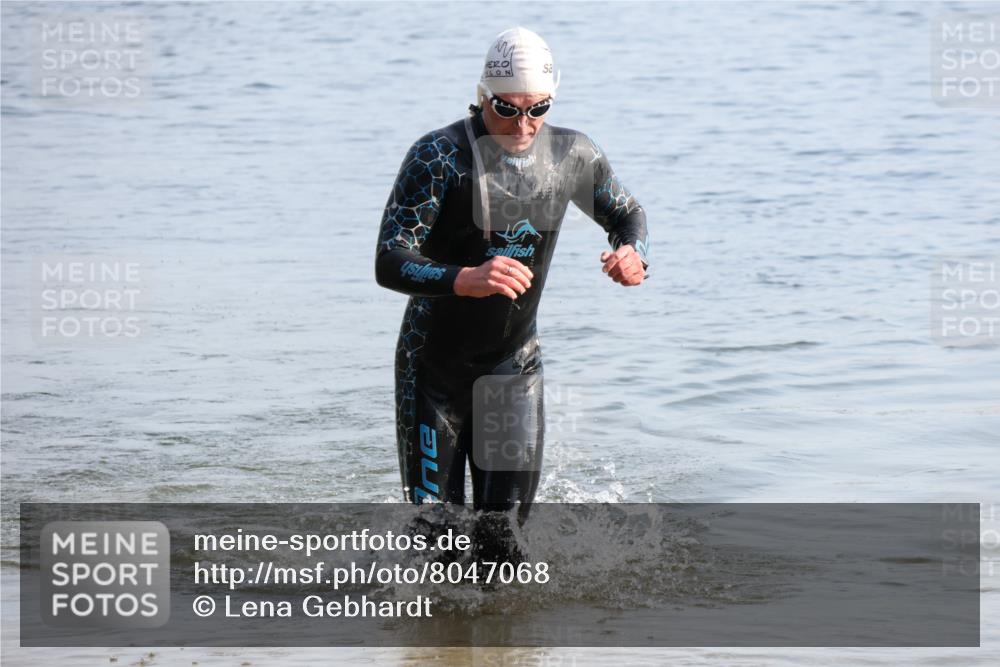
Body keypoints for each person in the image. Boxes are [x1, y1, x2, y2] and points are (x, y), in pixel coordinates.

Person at [375, 27, 649, 525]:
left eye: (537, 108)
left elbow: (626, 214)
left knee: (504, 541)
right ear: (483, 96)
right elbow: (389, 259)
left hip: (513, 369)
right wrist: (464, 278)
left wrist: (632, 253)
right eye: (507, 108)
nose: (523, 124)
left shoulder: (571, 155)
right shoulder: (439, 156)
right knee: (438, 539)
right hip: (433, 374)